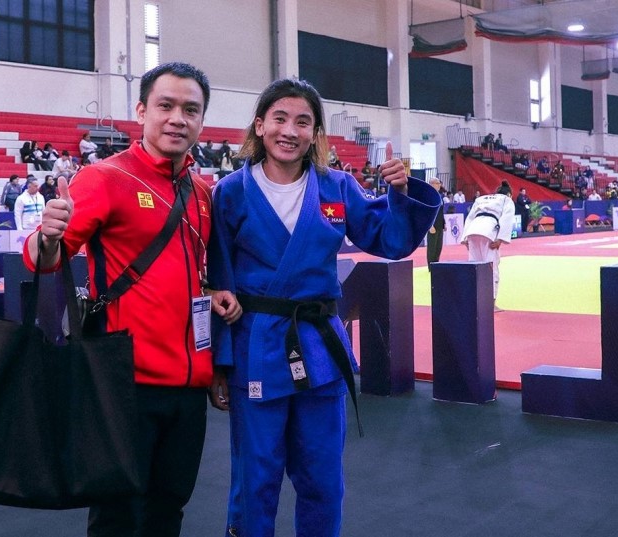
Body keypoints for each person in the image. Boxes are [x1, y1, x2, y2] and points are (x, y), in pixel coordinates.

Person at [207, 78, 441, 537]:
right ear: (260, 125)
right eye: (280, 119)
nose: (289, 131)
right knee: (255, 478)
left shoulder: (337, 186)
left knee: (323, 478)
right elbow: (220, 282)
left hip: (319, 348)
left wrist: (398, 193)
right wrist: (221, 362)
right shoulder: (230, 192)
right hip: (256, 347)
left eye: (303, 122)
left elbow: (390, 241)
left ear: (315, 133)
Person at [23, 62, 241, 537]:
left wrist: (212, 296)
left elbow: (191, 274)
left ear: (202, 120)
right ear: (142, 111)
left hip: (189, 388)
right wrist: (48, 235)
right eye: (166, 106)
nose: (177, 119)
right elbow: (44, 260)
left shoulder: (202, 193)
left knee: (168, 510)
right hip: (125, 383)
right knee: (117, 518)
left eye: (190, 110)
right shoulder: (105, 177)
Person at [461, 181, 516, 312]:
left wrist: (465, 238)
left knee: (474, 266)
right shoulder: (506, 200)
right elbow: (507, 218)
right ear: (509, 194)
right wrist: (500, 239)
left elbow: (470, 217)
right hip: (489, 231)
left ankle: (474, 302)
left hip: (473, 230)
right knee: (491, 268)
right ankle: (491, 304)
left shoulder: (481, 198)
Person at [426, 177, 446, 269]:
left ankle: (436, 265)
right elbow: (427, 212)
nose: (439, 185)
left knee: (439, 246)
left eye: (439, 183)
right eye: (437, 183)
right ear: (432, 184)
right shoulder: (428, 196)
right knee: (432, 247)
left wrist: (444, 223)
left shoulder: (440, 196)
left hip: (439, 224)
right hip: (432, 225)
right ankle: (431, 266)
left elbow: (441, 211)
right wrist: (430, 225)